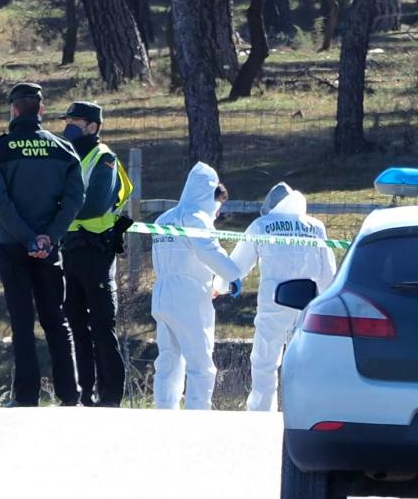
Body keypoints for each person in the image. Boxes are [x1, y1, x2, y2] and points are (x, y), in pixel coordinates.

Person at [0, 83, 85, 407]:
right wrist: (49, 236)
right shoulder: (63, 149)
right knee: (56, 319)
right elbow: (74, 199)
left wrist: (27, 237)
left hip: (12, 245)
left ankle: (26, 396)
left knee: (22, 321)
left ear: (14, 110)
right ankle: (70, 395)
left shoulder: (0, 149)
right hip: (48, 246)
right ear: (41, 110)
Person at [230, 183, 336, 412]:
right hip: (308, 304)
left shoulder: (262, 225)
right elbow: (328, 272)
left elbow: (237, 264)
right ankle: (305, 413)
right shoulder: (315, 227)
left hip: (274, 303)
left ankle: (261, 412)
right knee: (305, 362)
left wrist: (219, 285)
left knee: (264, 361)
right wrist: (329, 301)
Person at [151, 162, 243, 410]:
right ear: (208, 195)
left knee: (169, 359)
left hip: (161, 293)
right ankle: (198, 414)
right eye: (218, 206)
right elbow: (208, 251)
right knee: (200, 361)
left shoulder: (164, 217)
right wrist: (232, 275)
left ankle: (164, 410)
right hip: (188, 296)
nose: (217, 213)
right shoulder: (196, 218)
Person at [60, 101, 133, 407]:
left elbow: (95, 204)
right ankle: (84, 392)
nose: (69, 126)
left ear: (92, 126)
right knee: (76, 323)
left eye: (75, 121)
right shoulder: (68, 156)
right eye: (68, 120)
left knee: (102, 325)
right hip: (71, 249)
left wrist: (60, 209)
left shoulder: (104, 158)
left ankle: (111, 395)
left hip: (95, 250)